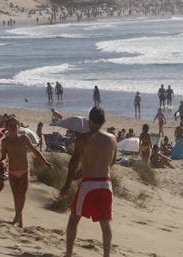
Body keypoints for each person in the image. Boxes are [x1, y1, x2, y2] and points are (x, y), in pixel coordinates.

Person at [61, 107, 117, 257]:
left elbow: (73, 162)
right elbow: (111, 162)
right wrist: (87, 169)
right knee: (105, 223)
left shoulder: (84, 138)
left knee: (74, 220)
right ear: (104, 121)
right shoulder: (112, 139)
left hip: (89, 184)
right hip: (106, 183)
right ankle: (106, 255)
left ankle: (68, 254)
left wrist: (67, 184)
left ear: (89, 121)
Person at [0, 116, 52, 227]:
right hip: (12, 172)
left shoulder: (24, 138)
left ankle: (16, 218)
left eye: (15, 125)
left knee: (22, 196)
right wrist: (1, 162)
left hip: (24, 171)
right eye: (11, 125)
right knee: (16, 197)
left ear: (19, 126)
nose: (13, 127)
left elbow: (35, 151)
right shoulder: (5, 142)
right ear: (7, 127)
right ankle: (20, 223)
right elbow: (3, 156)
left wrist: (45, 162)